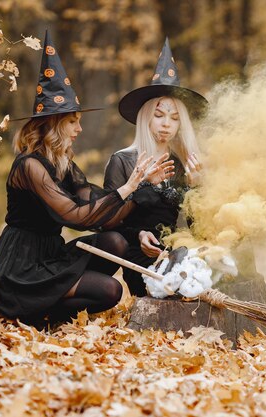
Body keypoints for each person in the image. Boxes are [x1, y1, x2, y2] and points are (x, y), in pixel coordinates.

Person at [0, 31, 174, 327]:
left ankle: (44, 311)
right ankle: (32, 314)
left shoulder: (65, 163)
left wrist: (142, 186)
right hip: (22, 265)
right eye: (73, 121)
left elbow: (99, 212)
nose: (79, 129)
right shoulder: (29, 166)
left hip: (51, 252)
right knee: (111, 290)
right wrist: (129, 186)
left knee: (115, 241)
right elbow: (75, 216)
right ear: (53, 123)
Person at [104, 38, 208, 296]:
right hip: (137, 256)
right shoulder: (123, 161)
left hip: (178, 254)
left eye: (174, 118)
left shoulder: (182, 164)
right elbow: (108, 222)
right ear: (146, 117)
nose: (166, 124)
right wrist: (139, 234)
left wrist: (197, 189)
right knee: (166, 290)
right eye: (159, 115)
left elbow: (194, 229)